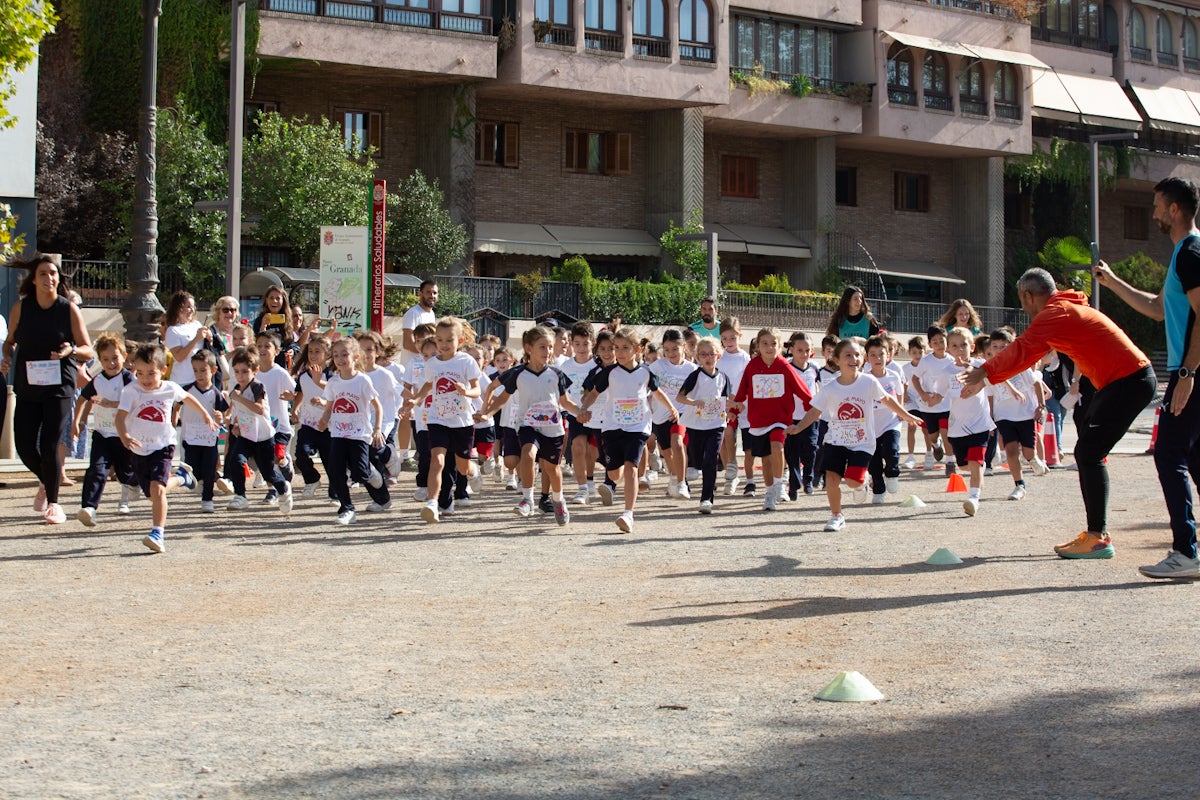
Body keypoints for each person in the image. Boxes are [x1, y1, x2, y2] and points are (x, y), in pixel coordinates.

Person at [960, 267, 1155, 560]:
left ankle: (1097, 537)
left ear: (1027, 296)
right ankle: (1096, 534)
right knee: (1089, 452)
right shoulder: (1064, 309)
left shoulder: (1055, 314)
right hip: (1122, 381)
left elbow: (1024, 349)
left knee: (1088, 453)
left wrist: (985, 373)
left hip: (1128, 381)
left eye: (1021, 300)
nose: (1023, 308)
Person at [1094, 176, 1200, 578]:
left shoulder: (1190, 251)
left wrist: (1188, 372)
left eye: (1157, 205)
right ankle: (1189, 551)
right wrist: (1112, 282)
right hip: (1190, 370)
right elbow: (1158, 308)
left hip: (1191, 371)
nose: (1153, 212)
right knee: (1193, 456)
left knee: (1170, 453)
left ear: (1174, 210)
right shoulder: (1182, 253)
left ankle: (1185, 552)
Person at [1, 253, 95, 524]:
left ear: (58, 279)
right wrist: (7, 356)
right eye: (43, 273)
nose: (49, 278)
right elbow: (10, 341)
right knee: (25, 444)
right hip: (28, 384)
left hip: (59, 386)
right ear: (33, 279)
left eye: (53, 274)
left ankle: (54, 504)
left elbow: (87, 350)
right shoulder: (22, 308)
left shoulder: (68, 309)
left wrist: (72, 349)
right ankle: (46, 480)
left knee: (51, 443)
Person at [791, 338, 921, 532]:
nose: (854, 359)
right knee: (832, 479)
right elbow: (814, 412)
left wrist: (906, 415)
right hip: (836, 439)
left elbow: (888, 400)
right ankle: (837, 516)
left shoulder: (868, 382)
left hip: (862, 442)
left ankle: (861, 486)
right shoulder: (830, 388)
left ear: (863, 359)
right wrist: (798, 427)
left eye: (858, 355)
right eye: (848, 355)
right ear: (837, 359)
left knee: (853, 481)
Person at [115, 343, 215, 553]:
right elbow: (120, 417)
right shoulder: (130, 390)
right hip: (140, 448)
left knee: (157, 490)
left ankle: (157, 533)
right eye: (140, 373)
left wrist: (206, 414)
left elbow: (187, 398)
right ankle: (182, 478)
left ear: (162, 370)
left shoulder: (170, 388)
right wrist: (124, 435)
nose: (146, 379)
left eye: (151, 373)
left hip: (163, 445)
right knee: (152, 495)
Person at [577, 328, 678, 533]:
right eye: (617, 348)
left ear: (637, 349)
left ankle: (628, 514)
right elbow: (594, 393)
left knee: (631, 468)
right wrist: (583, 408)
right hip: (613, 427)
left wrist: (672, 408)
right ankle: (618, 477)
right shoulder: (609, 372)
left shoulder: (646, 372)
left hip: (638, 427)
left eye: (625, 348)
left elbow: (658, 393)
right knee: (614, 474)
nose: (620, 353)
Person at [478, 326, 577, 525]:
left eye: (550, 347)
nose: (547, 351)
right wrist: (486, 413)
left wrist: (580, 411)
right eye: (542, 347)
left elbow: (565, 402)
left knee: (552, 468)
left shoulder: (557, 374)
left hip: (553, 428)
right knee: (528, 454)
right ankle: (527, 499)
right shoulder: (518, 374)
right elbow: (502, 399)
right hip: (527, 424)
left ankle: (558, 500)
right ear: (528, 348)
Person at [727, 327, 813, 512]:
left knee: (777, 446)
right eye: (764, 343)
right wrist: (734, 407)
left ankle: (779, 484)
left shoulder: (784, 366)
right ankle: (769, 492)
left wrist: (812, 407)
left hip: (780, 419)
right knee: (765, 459)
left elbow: (802, 390)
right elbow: (742, 392)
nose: (769, 347)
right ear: (758, 345)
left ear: (780, 346)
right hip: (758, 421)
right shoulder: (752, 366)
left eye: (774, 343)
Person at [409, 317, 483, 524]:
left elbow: (477, 389)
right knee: (437, 461)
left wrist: (466, 392)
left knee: (461, 467)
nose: (443, 345)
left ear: (459, 341)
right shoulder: (432, 363)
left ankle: (472, 471)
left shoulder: (466, 361)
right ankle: (432, 504)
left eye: (449, 340)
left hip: (461, 422)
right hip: (437, 419)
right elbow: (428, 385)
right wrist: (416, 399)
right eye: (440, 340)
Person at [318, 336, 392, 524]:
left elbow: (378, 406)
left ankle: (373, 474)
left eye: (345, 354)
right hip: (338, 433)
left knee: (360, 473)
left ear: (356, 356)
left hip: (359, 434)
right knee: (335, 471)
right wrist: (324, 420)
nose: (340, 359)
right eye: (336, 355)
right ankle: (347, 509)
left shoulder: (362, 381)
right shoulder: (334, 382)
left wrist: (377, 429)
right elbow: (330, 406)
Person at [73, 334, 138, 526]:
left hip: (123, 435)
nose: (111, 363)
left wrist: (112, 404)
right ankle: (89, 507)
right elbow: (83, 399)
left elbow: (136, 403)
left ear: (124, 356)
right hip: (102, 433)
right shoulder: (98, 380)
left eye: (115, 358)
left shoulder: (128, 380)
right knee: (97, 469)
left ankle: (135, 483)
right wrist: (79, 422)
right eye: (106, 359)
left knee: (125, 473)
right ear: (100, 360)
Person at [222, 346, 295, 515]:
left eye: (244, 372)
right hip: (247, 436)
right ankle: (240, 495)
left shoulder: (257, 386)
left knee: (268, 473)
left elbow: (259, 409)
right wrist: (237, 425)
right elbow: (241, 411)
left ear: (255, 371)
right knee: (235, 459)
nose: (240, 376)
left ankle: (283, 487)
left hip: (263, 437)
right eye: (237, 372)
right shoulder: (236, 390)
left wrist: (238, 398)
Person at [675, 337, 730, 514]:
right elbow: (680, 397)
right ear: (698, 356)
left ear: (718, 355)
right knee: (697, 459)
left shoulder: (723, 377)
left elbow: (726, 399)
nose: (708, 357)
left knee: (710, 460)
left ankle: (706, 499)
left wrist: (733, 408)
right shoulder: (695, 376)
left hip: (716, 424)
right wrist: (693, 402)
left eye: (711, 354)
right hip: (696, 424)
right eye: (703, 354)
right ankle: (692, 466)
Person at [944, 327, 994, 516]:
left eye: (964, 345)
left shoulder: (981, 365)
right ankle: (977, 475)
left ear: (971, 346)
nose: (959, 349)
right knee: (965, 465)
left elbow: (997, 376)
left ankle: (973, 498)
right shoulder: (946, 370)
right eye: (954, 346)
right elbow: (940, 392)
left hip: (979, 424)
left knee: (975, 462)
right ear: (948, 349)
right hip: (957, 428)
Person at [179, 350, 232, 513]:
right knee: (193, 467)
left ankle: (208, 499)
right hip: (191, 438)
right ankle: (202, 481)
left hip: (209, 438)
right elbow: (176, 404)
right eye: (195, 370)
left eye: (203, 370)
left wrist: (220, 417)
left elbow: (225, 412)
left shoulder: (215, 393)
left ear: (213, 370)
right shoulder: (186, 390)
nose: (199, 374)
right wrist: (174, 418)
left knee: (209, 467)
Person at [398, 281, 439, 468]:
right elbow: (408, 342)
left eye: (435, 293)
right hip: (413, 369)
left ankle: (424, 451)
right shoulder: (413, 314)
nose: (432, 295)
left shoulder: (431, 314)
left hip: (428, 369)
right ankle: (404, 454)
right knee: (408, 411)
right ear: (420, 294)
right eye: (428, 292)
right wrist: (423, 357)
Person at [162, 291, 211, 389]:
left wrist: (209, 338)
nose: (192, 310)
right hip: (183, 381)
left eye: (193, 307)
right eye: (188, 307)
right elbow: (179, 357)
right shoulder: (172, 330)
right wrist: (196, 339)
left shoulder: (197, 324)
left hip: (201, 381)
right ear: (178, 308)